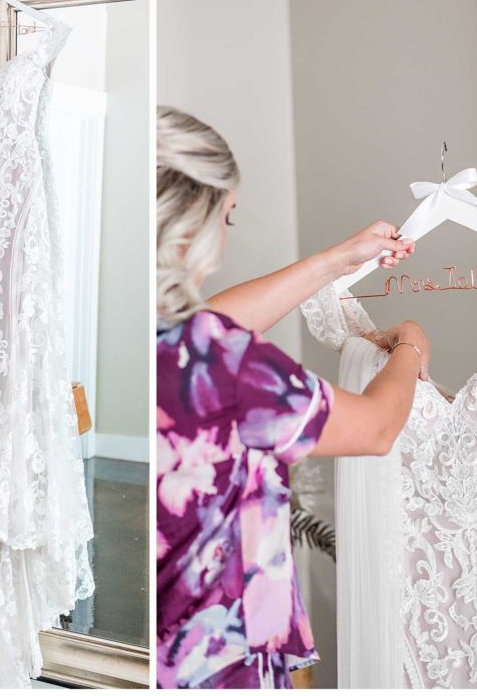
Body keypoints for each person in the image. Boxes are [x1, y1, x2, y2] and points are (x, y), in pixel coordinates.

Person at [155, 106, 431, 689]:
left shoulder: (171, 340)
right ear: (191, 221)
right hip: (218, 661)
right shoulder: (227, 366)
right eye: (227, 219)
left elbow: (213, 322)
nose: (222, 242)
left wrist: (339, 259)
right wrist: (410, 345)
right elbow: (377, 427)